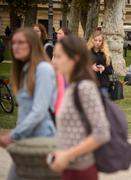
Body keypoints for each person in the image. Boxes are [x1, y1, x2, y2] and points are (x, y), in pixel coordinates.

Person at [50, 35, 111, 180]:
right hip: (66, 167)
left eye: (58, 56)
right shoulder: (70, 86)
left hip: (80, 170)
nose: (53, 61)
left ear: (75, 59)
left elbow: (102, 132)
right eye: (53, 56)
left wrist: (68, 155)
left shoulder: (85, 87)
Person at [0, 28, 56, 179]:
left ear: (32, 45)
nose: (15, 47)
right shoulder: (24, 70)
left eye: (21, 42)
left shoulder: (43, 69)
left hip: (41, 141)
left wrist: (13, 135)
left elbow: (39, 111)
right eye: (13, 43)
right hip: (26, 139)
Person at [87, 31, 113, 95]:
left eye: (100, 41)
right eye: (95, 40)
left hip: (103, 83)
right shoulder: (86, 53)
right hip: (90, 83)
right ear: (92, 40)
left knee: (103, 103)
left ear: (102, 42)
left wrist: (104, 68)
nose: (97, 42)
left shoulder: (106, 54)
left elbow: (111, 70)